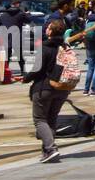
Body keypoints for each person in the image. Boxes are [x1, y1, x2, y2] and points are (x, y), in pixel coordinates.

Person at [24, 18, 72, 163]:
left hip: (44, 87)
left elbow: (37, 70)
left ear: (50, 31)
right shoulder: (65, 48)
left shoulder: (45, 47)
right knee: (51, 119)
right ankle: (47, 151)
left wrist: (26, 78)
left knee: (39, 120)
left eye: (48, 28)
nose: (46, 29)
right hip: (63, 88)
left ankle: (51, 148)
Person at [0, 1, 28, 80]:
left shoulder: (2, 16)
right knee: (19, 56)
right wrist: (26, 12)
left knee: (7, 56)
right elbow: (29, 20)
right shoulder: (20, 15)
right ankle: (23, 72)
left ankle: (4, 72)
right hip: (17, 37)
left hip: (7, 37)